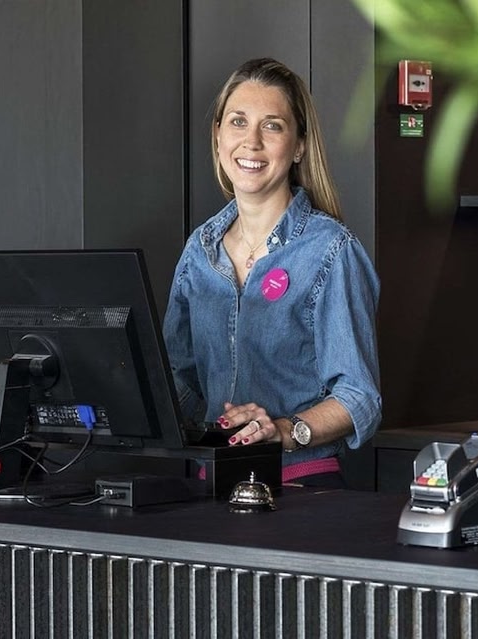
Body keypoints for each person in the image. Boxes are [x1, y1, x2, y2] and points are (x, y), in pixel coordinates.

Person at [163, 58, 381, 487]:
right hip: (212, 486)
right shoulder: (199, 251)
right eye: (238, 122)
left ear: (298, 146)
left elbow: (360, 398)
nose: (252, 141)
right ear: (218, 135)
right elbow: (179, 381)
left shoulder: (331, 250)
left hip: (302, 487)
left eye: (273, 126)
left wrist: (283, 430)